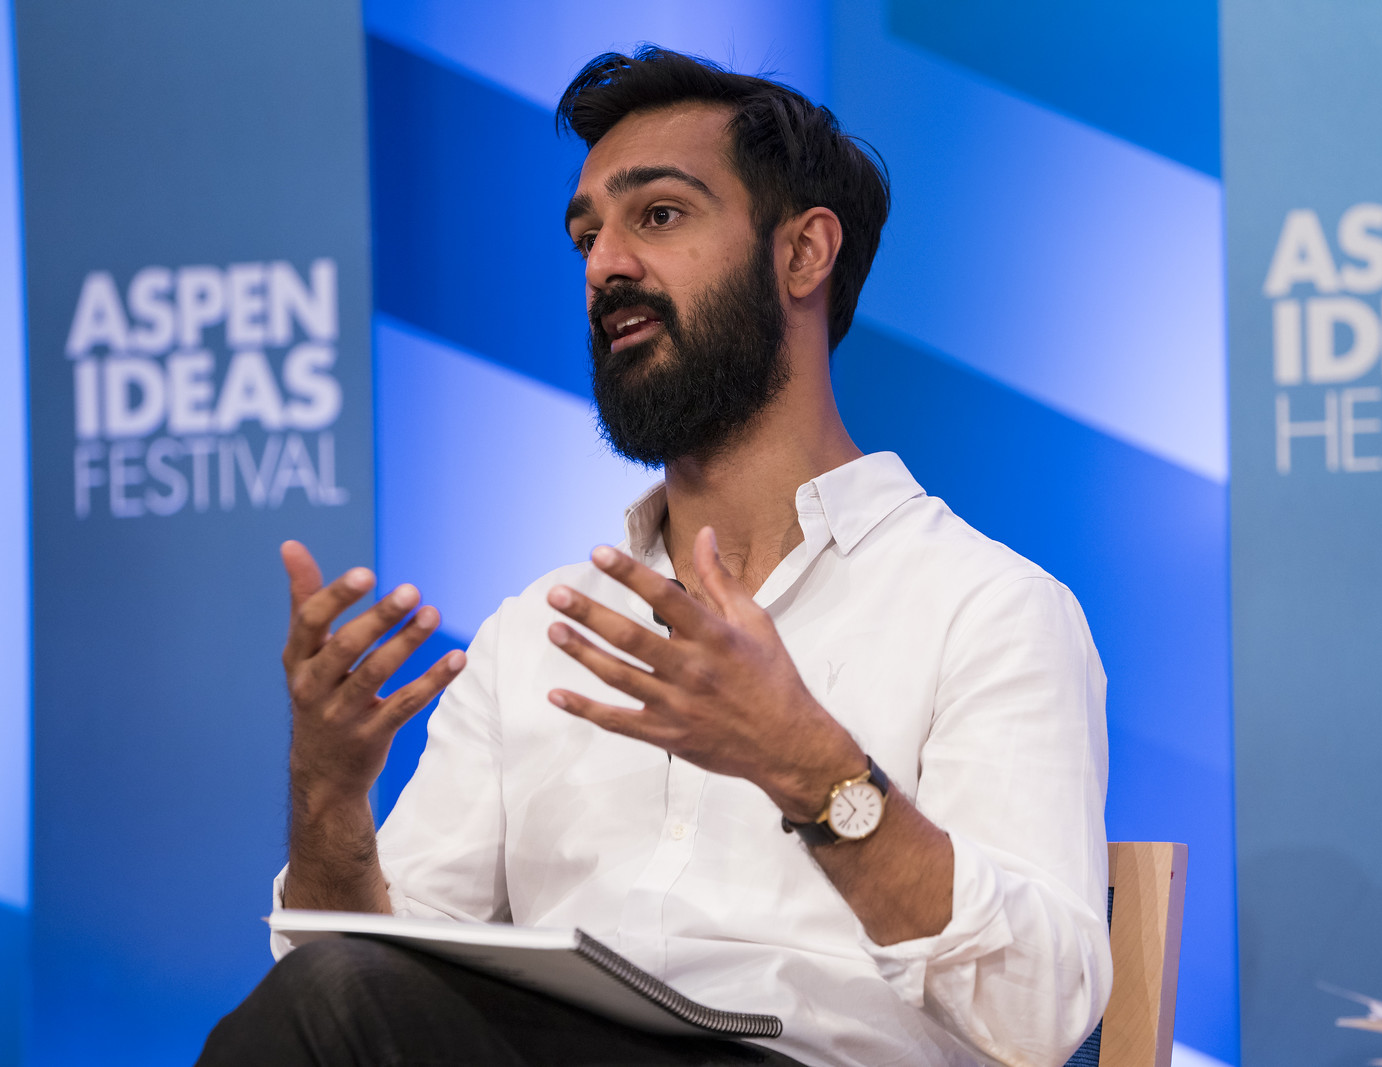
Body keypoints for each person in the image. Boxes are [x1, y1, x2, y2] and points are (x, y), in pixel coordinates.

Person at [199, 47, 1111, 1067]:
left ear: (803, 253)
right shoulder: (537, 633)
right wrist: (327, 795)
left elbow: (1040, 1015)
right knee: (334, 994)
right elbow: (364, 976)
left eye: (660, 215)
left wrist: (808, 765)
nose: (605, 265)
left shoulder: (987, 606)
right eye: (587, 235)